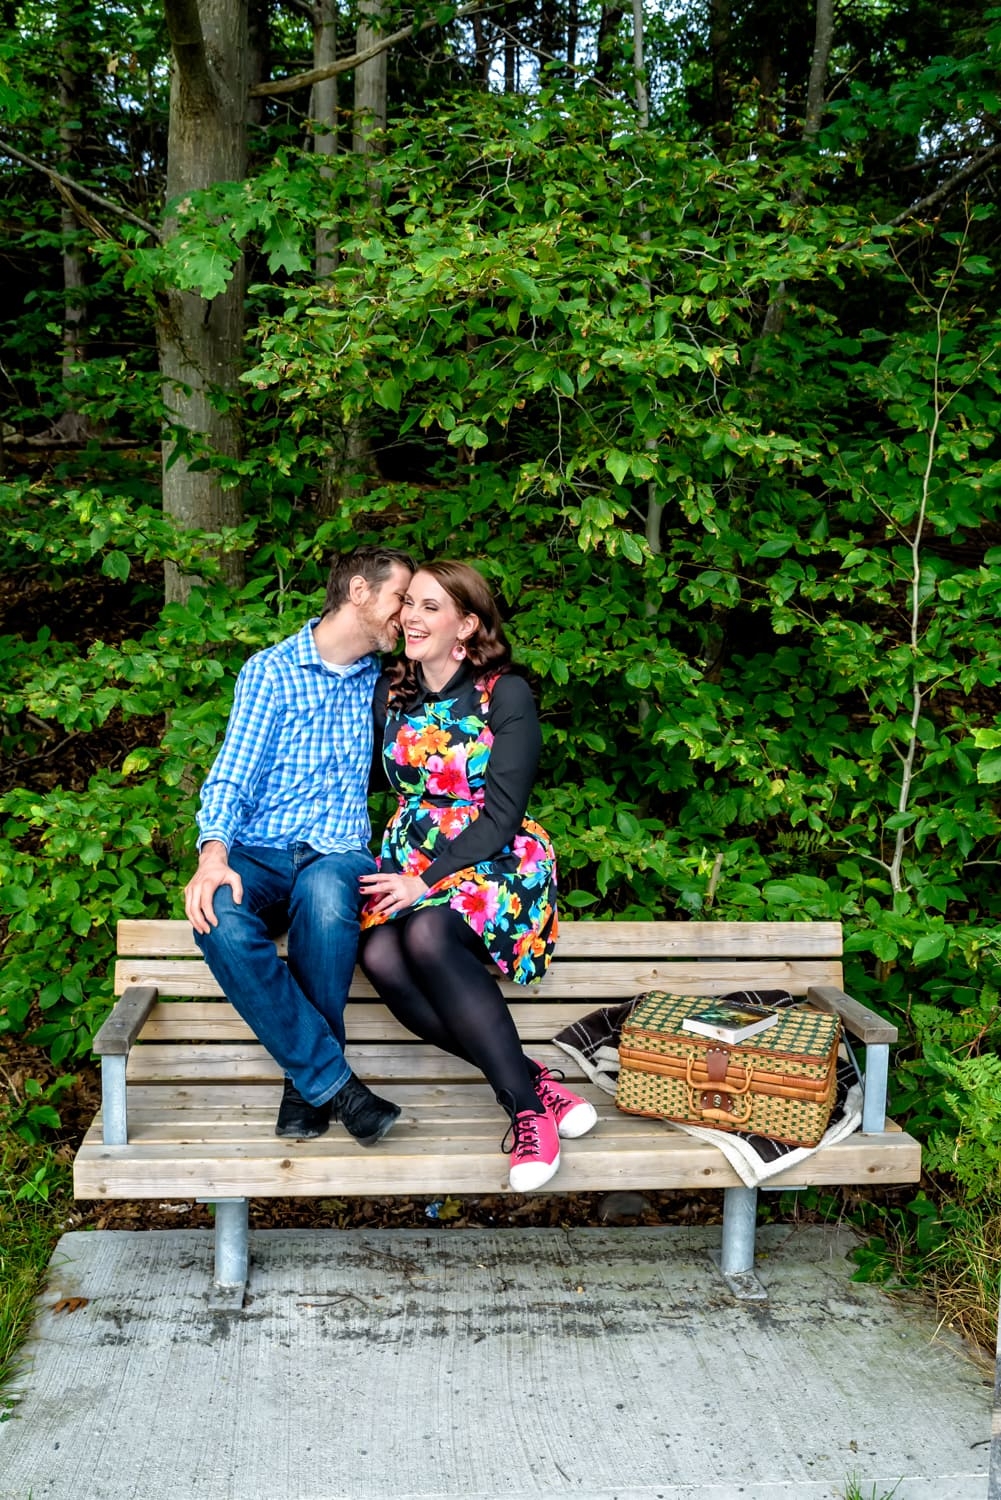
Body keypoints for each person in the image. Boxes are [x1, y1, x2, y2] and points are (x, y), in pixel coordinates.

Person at [358, 560, 598, 1192]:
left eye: (430, 607)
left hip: (497, 859)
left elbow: (501, 815)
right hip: (411, 858)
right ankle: (530, 1079)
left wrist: (425, 880)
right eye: (408, 602)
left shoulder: (504, 692)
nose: (411, 615)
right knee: (381, 954)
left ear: (466, 624)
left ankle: (524, 1115)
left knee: (429, 936)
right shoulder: (393, 693)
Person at [184, 544, 415, 1145]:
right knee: (218, 917)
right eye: (400, 599)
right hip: (259, 853)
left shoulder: (389, 681)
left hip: (336, 853)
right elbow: (231, 774)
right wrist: (213, 856)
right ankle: (334, 1085)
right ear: (359, 592)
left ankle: (306, 1085)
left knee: (324, 893)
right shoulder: (270, 671)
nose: (406, 614)